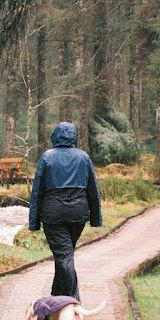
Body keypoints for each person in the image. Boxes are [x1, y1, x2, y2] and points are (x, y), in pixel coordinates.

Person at [27, 121, 102, 302]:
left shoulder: (47, 157)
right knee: (65, 255)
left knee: (64, 256)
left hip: (54, 214)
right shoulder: (83, 157)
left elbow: (37, 191)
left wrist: (34, 222)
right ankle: (57, 296)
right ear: (73, 136)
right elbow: (93, 189)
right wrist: (95, 218)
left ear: (55, 136)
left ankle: (71, 301)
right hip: (78, 213)